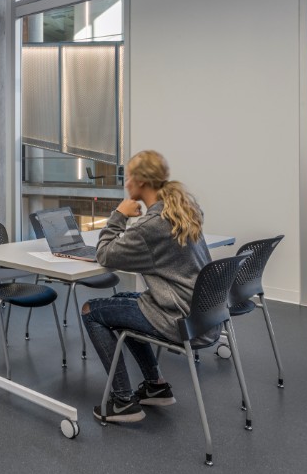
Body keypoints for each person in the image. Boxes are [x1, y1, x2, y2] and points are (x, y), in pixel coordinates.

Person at [81, 150, 210, 424]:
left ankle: (123, 401)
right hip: (202, 314)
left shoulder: (150, 226)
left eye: (128, 177)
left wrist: (118, 214)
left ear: (140, 182)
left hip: (178, 318)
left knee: (91, 310)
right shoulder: (184, 208)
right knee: (132, 301)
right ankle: (155, 385)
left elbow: (105, 254)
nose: (125, 182)